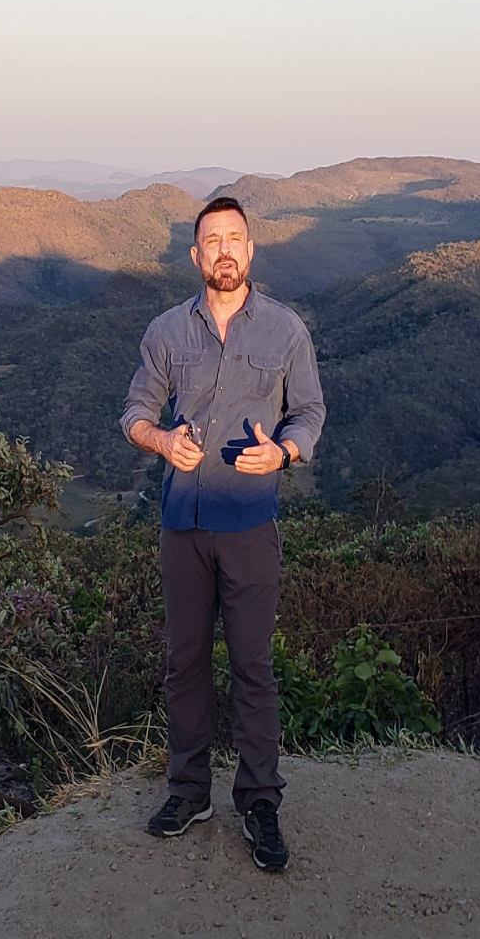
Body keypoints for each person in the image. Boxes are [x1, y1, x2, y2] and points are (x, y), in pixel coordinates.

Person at [120, 195, 325, 872]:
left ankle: (260, 802)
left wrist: (285, 453)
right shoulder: (164, 333)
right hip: (183, 525)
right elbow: (136, 412)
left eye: (235, 238)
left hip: (249, 526)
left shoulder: (287, 332)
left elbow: (309, 413)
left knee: (253, 667)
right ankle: (189, 791)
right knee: (185, 664)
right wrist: (158, 441)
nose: (225, 251)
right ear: (195, 256)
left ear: (251, 249)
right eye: (212, 241)